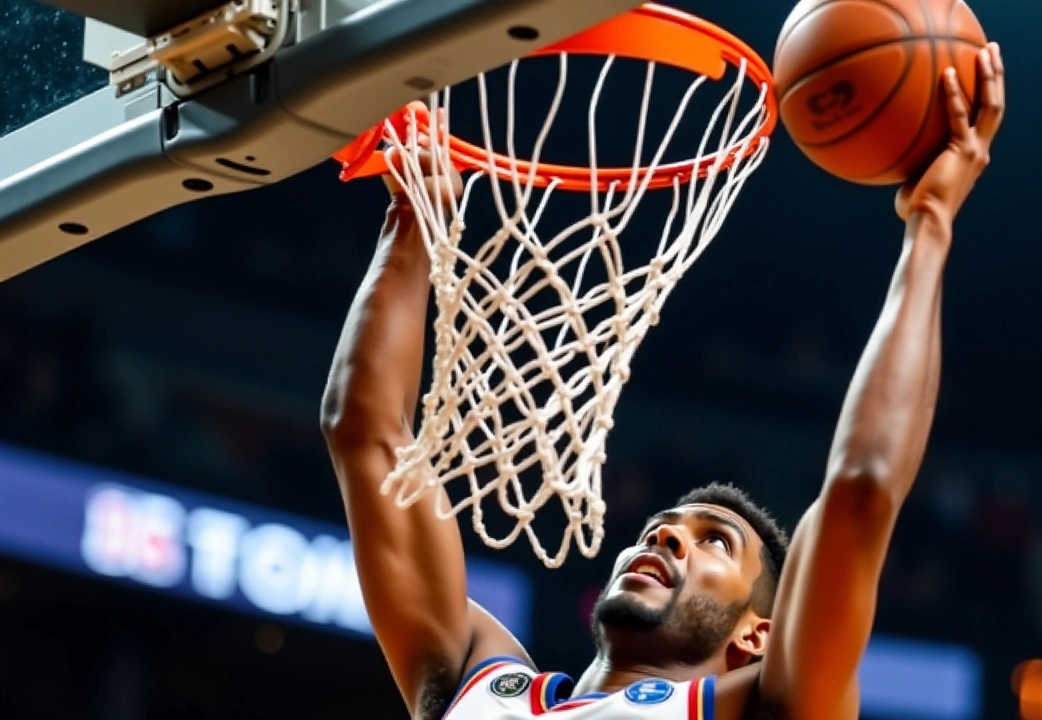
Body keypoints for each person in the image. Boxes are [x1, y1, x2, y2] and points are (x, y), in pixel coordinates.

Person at [320, 43, 1006, 720]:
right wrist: (414, 215)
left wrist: (931, 224)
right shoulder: (478, 679)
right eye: (662, 528)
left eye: (715, 542)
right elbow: (366, 433)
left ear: (758, 636)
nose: (666, 539)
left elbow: (861, 492)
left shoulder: (766, 708)